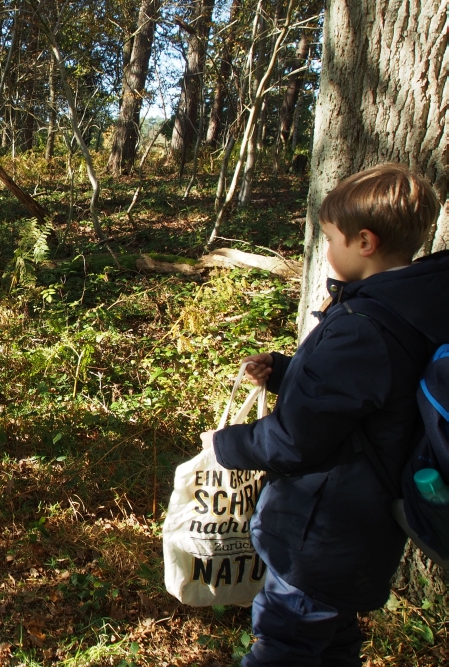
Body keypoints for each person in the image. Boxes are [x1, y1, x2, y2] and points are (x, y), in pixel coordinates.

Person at [204, 163, 449, 666]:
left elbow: (298, 438)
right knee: (332, 644)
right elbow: (369, 400)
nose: (326, 251)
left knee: (285, 645)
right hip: (363, 531)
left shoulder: (364, 325)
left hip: (319, 534)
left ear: (364, 242)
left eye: (331, 238)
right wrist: (284, 371)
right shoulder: (411, 308)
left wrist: (226, 445)